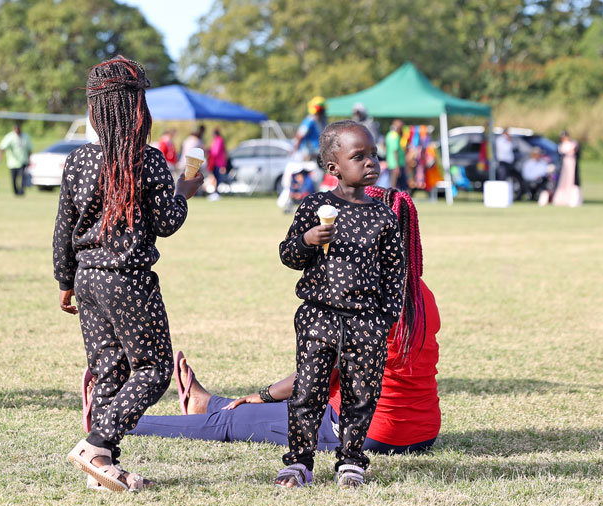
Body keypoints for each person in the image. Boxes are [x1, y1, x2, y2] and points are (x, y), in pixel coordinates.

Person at [126, 190, 440, 465]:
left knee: (226, 425)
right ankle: (205, 402)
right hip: (423, 431)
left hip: (373, 433)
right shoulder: (420, 292)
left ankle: (120, 421)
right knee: (245, 410)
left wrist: (263, 395)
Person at [53, 56, 203, 493]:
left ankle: (104, 468)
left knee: (109, 370)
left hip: (87, 278)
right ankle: (96, 445)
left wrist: (65, 281)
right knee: (154, 369)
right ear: (139, 110)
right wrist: (185, 190)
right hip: (128, 280)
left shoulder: (77, 161)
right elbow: (167, 222)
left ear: (96, 111)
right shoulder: (148, 161)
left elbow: (64, 226)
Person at [275, 120, 405, 488]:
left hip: (367, 320)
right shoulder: (315, 205)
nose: (370, 163)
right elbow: (288, 256)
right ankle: (299, 461)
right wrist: (309, 239)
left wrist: (386, 318)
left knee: (361, 393)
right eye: (358, 156)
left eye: (373, 155)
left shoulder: (383, 215)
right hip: (319, 315)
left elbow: (395, 272)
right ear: (333, 168)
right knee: (308, 390)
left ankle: (351, 461)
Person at [0, 123, 32, 196]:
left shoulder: (25, 136)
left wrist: (30, 160)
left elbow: (29, 149)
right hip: (13, 162)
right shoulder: (10, 137)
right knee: (14, 179)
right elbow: (1, 147)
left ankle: (22, 191)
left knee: (23, 177)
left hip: (23, 161)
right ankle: (16, 192)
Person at [552, 131, 582, 207]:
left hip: (572, 165)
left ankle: (573, 199)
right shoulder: (560, 146)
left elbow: (577, 153)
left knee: (573, 181)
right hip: (564, 167)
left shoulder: (573, 144)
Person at [385, 120, 408, 191]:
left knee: (395, 184)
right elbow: (395, 151)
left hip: (392, 163)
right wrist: (397, 166)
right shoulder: (394, 136)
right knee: (395, 185)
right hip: (396, 164)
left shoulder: (389, 134)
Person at [207, 128, 228, 201]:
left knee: (217, 178)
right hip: (215, 162)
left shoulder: (219, 140)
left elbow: (216, 152)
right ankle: (215, 192)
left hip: (218, 163)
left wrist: (209, 152)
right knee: (215, 178)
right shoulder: (217, 140)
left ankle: (216, 193)